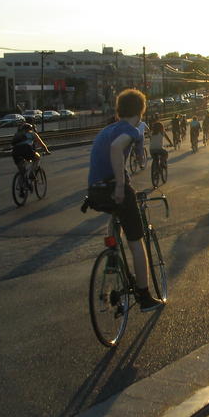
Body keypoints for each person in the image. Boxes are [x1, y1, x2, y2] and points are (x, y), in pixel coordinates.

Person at [87, 88, 162, 312]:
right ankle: (144, 296)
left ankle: (112, 259)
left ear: (119, 109)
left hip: (95, 191)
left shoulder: (108, 129)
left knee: (116, 222)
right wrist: (120, 185)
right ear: (141, 110)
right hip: (113, 188)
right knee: (136, 242)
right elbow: (116, 148)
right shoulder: (128, 130)